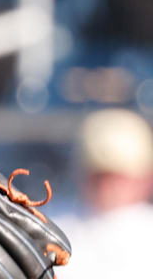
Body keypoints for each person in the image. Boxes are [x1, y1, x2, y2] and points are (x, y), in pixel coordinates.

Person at [55, 108, 153, 278]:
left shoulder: (146, 230)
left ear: (145, 179)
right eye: (99, 176)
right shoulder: (55, 225)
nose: (108, 187)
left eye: (118, 177)